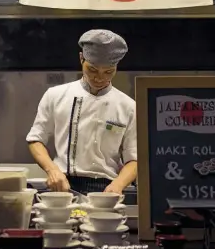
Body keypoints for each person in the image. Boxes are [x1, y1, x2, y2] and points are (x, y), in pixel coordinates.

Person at [26, 29, 137, 194]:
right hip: (62, 185)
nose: (100, 78)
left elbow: (135, 159)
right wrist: (52, 170)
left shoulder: (128, 106)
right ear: (81, 58)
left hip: (106, 188)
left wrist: (118, 185)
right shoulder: (55, 95)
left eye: (108, 72)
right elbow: (35, 139)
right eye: (92, 70)